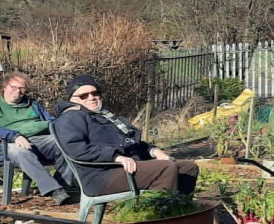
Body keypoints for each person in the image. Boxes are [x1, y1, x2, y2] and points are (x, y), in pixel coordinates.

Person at [55, 75, 199, 196]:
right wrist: (115, 157)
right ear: (72, 99)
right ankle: (157, 217)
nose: (91, 98)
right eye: (83, 95)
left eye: (95, 93)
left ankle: (181, 211)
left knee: (188, 168)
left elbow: (130, 141)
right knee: (166, 169)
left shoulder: (105, 116)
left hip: (126, 166)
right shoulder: (70, 118)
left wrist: (154, 151)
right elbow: (77, 149)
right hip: (100, 175)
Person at [0, 72, 74, 205]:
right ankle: (54, 190)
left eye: (22, 88)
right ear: (4, 86)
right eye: (14, 87)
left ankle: (62, 184)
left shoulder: (32, 104)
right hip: (5, 144)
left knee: (66, 142)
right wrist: (14, 135)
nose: (18, 91)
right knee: (19, 150)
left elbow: (50, 120)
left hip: (39, 141)